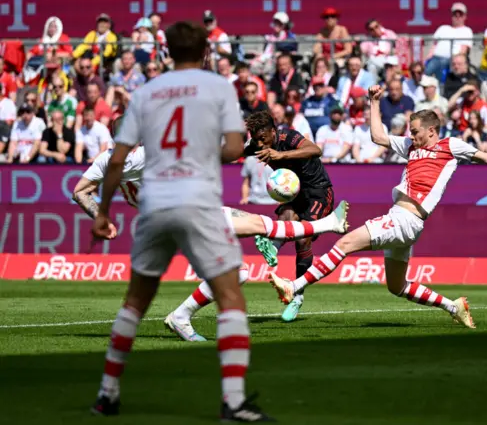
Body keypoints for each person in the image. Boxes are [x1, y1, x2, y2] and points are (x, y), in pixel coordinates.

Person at [87, 21, 272, 422]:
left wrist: (102, 213)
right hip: (198, 201)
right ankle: (234, 401)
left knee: (135, 301)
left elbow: (116, 161)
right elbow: (234, 149)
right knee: (230, 296)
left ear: (166, 50)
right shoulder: (218, 88)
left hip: (154, 204)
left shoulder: (146, 92)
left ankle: (107, 394)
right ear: (206, 50)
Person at [269, 85, 487, 323]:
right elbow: (378, 137)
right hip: (404, 222)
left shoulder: (450, 146)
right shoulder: (411, 147)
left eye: (415, 131)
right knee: (397, 286)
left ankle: (293, 286)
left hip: (405, 219)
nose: (411, 135)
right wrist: (374, 102)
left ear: (431, 130)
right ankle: (453, 307)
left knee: (343, 244)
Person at [72, 145, 350, 339]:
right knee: (259, 226)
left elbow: (80, 192)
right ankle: (327, 224)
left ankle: (180, 317)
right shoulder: (144, 154)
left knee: (239, 267)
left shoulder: (106, 161)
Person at [244, 110, 335, 322]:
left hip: (319, 192)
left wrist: (281, 155)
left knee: (303, 238)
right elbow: (236, 151)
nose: (259, 144)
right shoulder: (257, 145)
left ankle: (297, 297)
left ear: (273, 132)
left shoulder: (289, 137)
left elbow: (316, 149)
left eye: (263, 138)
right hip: (295, 194)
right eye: (255, 139)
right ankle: (272, 248)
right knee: (285, 216)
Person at [425, 2, 473, 78]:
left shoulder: (467, 31)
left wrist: (456, 61)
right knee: (425, 72)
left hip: (451, 59)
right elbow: (434, 46)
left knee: (440, 68)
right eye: (455, 15)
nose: (457, 17)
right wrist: (426, 59)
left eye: (460, 15)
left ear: (464, 17)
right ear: (452, 16)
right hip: (436, 58)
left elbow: (464, 50)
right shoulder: (443, 28)